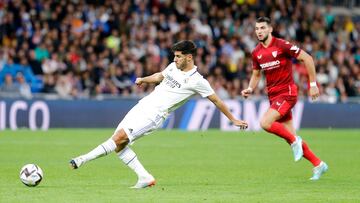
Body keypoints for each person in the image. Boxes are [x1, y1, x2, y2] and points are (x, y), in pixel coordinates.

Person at [70, 40, 248, 188]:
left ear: (189, 57)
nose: (175, 59)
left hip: (155, 115)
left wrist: (232, 119)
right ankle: (145, 177)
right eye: (174, 56)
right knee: (119, 145)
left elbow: (216, 100)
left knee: (119, 138)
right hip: (144, 104)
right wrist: (142, 79)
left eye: (178, 56)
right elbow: (159, 77)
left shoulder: (197, 80)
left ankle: (82, 159)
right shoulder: (172, 67)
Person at [241, 17, 328, 180]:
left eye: (262, 28)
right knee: (290, 137)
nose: (259, 31)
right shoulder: (256, 53)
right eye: (257, 29)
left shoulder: (282, 45)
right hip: (273, 96)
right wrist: (250, 88)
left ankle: (296, 141)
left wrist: (313, 84)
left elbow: (307, 58)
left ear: (270, 29)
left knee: (265, 123)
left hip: (287, 93)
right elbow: (256, 74)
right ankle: (318, 164)